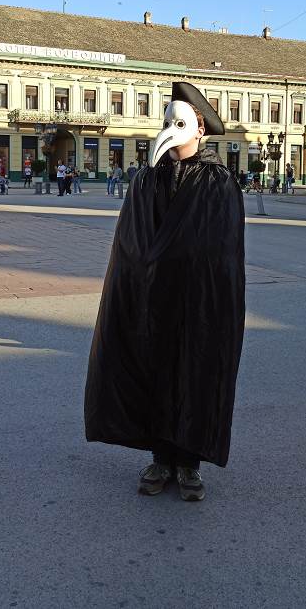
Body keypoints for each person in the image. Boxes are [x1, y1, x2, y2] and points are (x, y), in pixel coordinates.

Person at [85, 81, 245, 502]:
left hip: (196, 301)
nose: (171, 130)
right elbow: (129, 241)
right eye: (166, 122)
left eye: (180, 123)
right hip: (152, 299)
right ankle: (160, 457)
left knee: (193, 372)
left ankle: (189, 463)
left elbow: (218, 247)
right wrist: (140, 274)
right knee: (152, 372)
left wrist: (178, 263)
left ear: (200, 130)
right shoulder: (145, 182)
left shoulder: (217, 182)